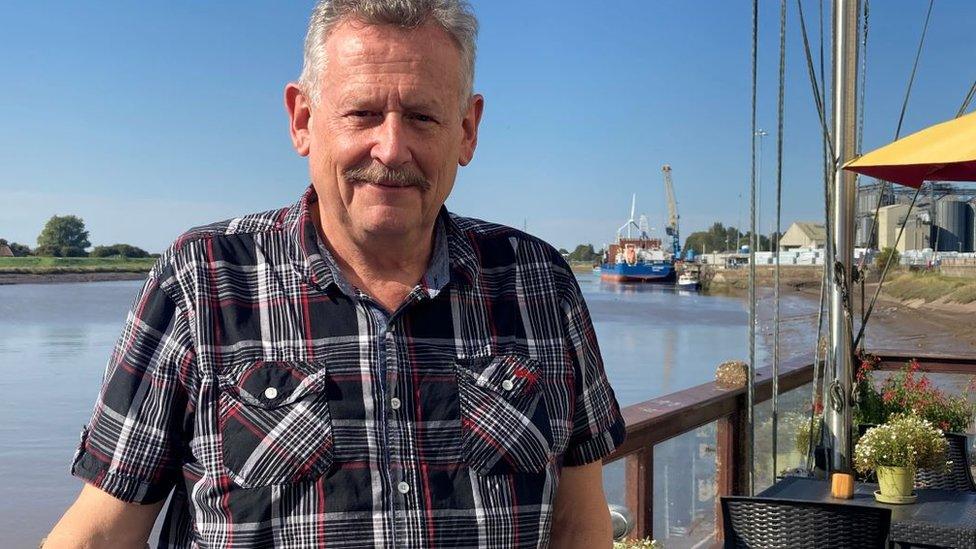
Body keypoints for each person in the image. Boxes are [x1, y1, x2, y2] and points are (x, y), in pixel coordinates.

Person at [43, 1, 625, 547]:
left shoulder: (540, 284)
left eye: (422, 116)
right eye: (363, 113)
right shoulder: (203, 281)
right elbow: (103, 530)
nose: (392, 148)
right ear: (303, 120)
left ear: (467, 130)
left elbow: (579, 519)